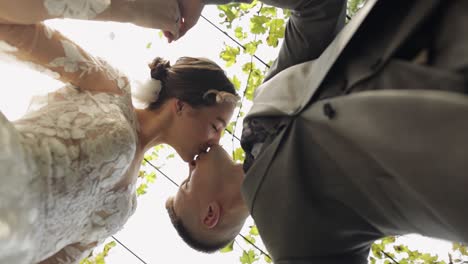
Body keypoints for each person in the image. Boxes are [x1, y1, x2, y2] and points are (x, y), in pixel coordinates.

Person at [166, 0, 468, 262]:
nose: (190, 165)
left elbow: (319, 7)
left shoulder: (262, 106)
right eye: (186, 184)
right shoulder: (296, 247)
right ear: (210, 215)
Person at [0, 1, 240, 263]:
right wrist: (134, 7)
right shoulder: (110, 87)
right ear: (181, 106)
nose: (216, 142)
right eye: (216, 126)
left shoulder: (124, 208)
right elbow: (6, 21)